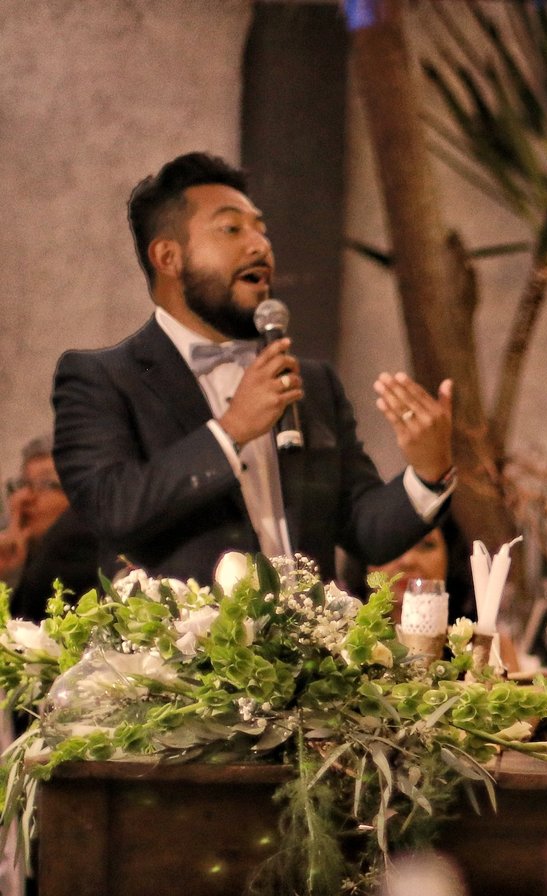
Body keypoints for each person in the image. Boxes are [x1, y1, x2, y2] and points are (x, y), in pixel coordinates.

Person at [52, 152, 455, 588]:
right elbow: (111, 507)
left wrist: (428, 473)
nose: (260, 246)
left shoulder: (311, 383)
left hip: (311, 631)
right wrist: (231, 432)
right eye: (232, 229)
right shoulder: (101, 379)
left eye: (261, 229)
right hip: (182, 633)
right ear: (168, 256)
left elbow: (364, 530)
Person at [1, 438, 101, 620]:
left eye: (45, 484)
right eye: (22, 484)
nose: (22, 497)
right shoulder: (25, 558)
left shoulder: (74, 549)